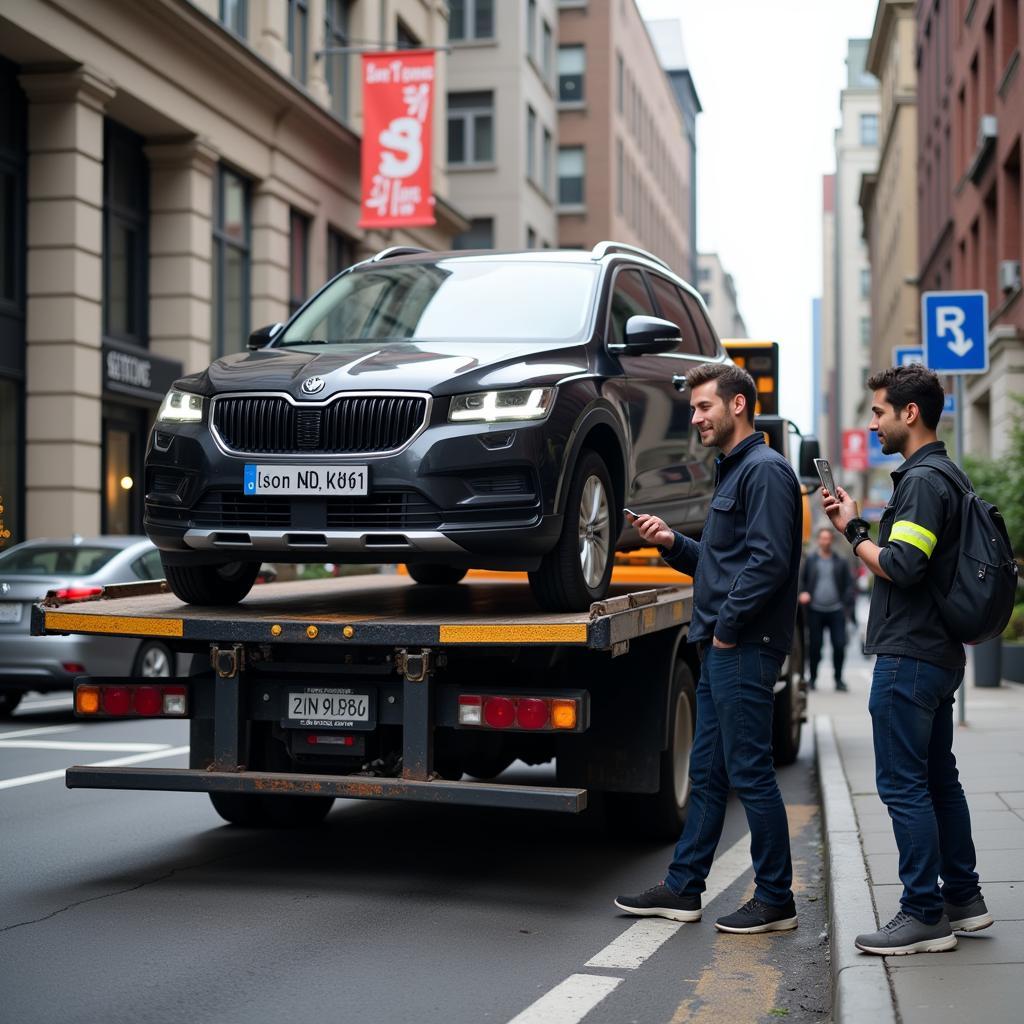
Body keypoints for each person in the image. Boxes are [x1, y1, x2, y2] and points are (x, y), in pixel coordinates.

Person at [615, 362, 802, 934]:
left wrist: (725, 628)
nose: (695, 417)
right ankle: (683, 887)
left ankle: (775, 899)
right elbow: (722, 566)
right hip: (725, 643)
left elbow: (769, 563)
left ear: (737, 405)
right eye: (694, 408)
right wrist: (673, 544)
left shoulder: (765, 472)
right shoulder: (735, 472)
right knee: (708, 771)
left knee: (749, 771)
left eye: (703, 407)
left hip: (741, 645)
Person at [822, 364, 992, 956]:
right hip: (937, 655)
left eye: (878, 412)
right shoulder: (947, 475)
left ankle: (922, 913)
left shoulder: (922, 481)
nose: (872, 423)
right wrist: (865, 526)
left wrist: (849, 530)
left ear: (908, 413)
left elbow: (901, 566)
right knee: (939, 779)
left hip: (910, 656)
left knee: (903, 784)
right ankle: (963, 900)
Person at [799, 526, 855, 691]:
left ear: (832, 540)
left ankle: (838, 679)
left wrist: (845, 605)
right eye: (822, 538)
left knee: (839, 645)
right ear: (818, 540)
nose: (825, 541)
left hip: (836, 610)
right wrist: (803, 593)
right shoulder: (811, 560)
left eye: (828, 538)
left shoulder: (841, 561)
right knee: (815, 647)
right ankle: (813, 679)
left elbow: (848, 585)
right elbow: (801, 581)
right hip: (815, 610)